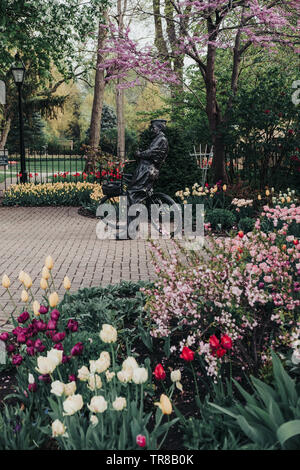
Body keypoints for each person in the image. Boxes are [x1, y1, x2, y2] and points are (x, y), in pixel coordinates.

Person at [126, 119, 168, 206]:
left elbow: (151, 152)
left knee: (133, 191)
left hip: (146, 169)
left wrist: (139, 154)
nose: (152, 130)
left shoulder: (161, 139)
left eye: (153, 128)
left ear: (159, 128)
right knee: (143, 192)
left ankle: (132, 216)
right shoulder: (160, 139)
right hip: (151, 169)